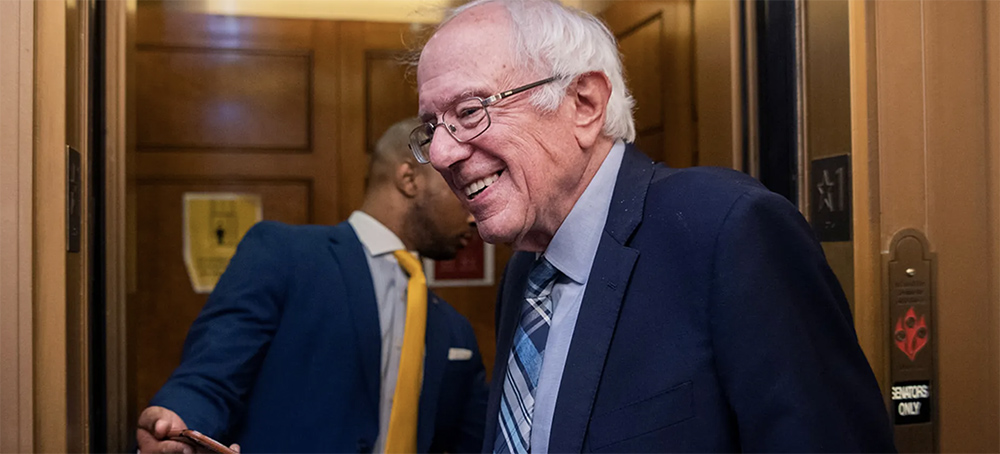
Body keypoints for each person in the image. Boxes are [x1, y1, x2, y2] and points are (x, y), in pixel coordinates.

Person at [411, 1, 896, 452]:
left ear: (584, 102)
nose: (440, 153)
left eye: (470, 112)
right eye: (432, 127)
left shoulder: (728, 231)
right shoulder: (526, 275)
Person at [136, 118, 488, 454]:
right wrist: (178, 419)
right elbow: (212, 375)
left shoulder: (455, 331)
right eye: (457, 185)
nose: (473, 213)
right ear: (409, 179)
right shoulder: (285, 255)